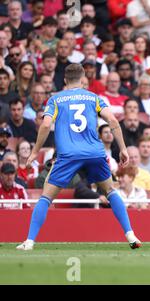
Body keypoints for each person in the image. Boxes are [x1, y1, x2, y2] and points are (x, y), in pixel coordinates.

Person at [16, 64, 141, 251]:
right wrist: (122, 148)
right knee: (110, 191)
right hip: (95, 152)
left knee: (46, 197)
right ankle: (130, 235)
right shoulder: (94, 97)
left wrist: (35, 152)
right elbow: (113, 121)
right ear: (83, 79)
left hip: (68, 154)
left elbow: (45, 125)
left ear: (65, 80)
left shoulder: (55, 99)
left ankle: (29, 241)